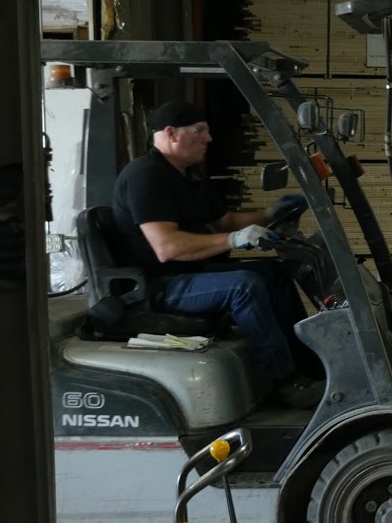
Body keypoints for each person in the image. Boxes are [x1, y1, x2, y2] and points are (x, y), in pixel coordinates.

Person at [111, 99, 320, 408]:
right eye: (200, 131)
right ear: (171, 133)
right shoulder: (145, 176)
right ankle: (285, 382)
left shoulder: (187, 175)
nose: (208, 139)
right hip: (160, 284)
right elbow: (167, 247)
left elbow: (225, 221)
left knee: (274, 274)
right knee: (243, 285)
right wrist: (235, 239)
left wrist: (272, 211)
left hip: (191, 274)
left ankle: (312, 368)